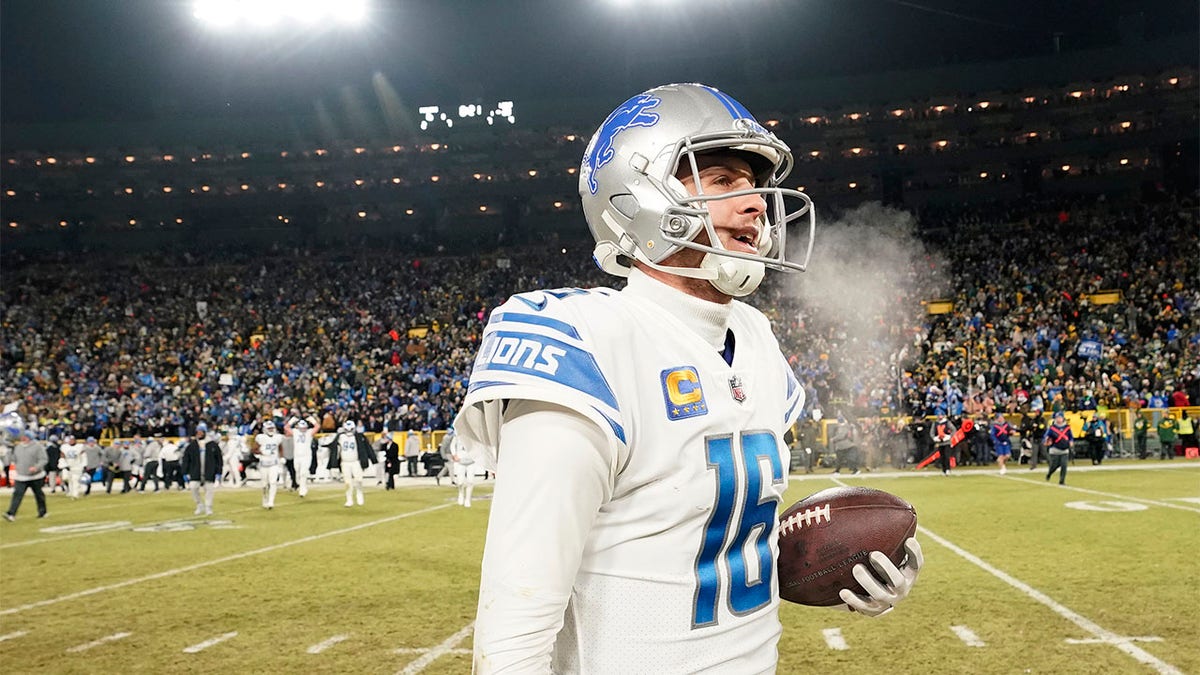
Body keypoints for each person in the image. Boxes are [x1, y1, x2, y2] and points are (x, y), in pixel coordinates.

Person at [452, 83, 922, 673]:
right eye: (724, 180)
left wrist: (844, 560)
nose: (754, 203)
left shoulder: (753, 337)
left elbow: (704, 539)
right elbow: (518, 612)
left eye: (754, 185)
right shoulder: (589, 340)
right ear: (637, 193)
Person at [323, 420, 375, 507]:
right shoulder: (340, 437)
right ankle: (349, 499)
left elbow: (367, 448)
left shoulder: (359, 437)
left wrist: (373, 459)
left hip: (356, 461)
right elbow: (333, 447)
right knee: (347, 482)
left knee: (358, 480)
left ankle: (359, 493)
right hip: (345, 462)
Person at [3, 431, 48, 521]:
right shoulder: (18, 447)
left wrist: (36, 467)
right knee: (17, 494)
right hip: (21, 476)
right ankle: (11, 513)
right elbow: (13, 459)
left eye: (24, 437)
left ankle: (42, 511)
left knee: (39, 495)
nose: (22, 438)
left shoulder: (37, 446)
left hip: (36, 476)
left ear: (29, 437)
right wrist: (8, 452)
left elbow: (44, 459)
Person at [181, 423, 223, 516]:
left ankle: (208, 507)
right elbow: (186, 459)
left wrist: (218, 472)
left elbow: (219, 460)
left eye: (201, 432)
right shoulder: (192, 445)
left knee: (209, 490)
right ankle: (199, 504)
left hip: (209, 472)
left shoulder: (212, 445)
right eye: (198, 432)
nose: (199, 433)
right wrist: (185, 472)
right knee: (193, 488)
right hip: (195, 472)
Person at [254, 420, 285, 509]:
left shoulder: (278, 437)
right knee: (264, 484)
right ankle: (265, 498)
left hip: (274, 463)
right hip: (264, 463)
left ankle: (271, 501)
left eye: (272, 428)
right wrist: (261, 452)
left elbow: (280, 448)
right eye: (269, 428)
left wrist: (282, 457)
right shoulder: (261, 437)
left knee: (273, 482)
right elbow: (254, 449)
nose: (271, 430)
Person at [1043, 411, 1074, 484]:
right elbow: (1046, 436)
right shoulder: (1052, 428)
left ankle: (1062, 481)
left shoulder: (1067, 428)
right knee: (1054, 465)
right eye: (1057, 418)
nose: (1058, 419)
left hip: (1065, 450)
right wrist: (1047, 440)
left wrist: (1071, 441)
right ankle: (1049, 473)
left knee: (1064, 465)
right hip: (1055, 449)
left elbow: (1071, 437)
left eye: (1060, 417)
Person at [58, 434, 87, 499]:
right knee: (66, 478)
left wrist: (84, 465)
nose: (71, 441)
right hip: (67, 465)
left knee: (75, 479)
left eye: (72, 440)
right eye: (70, 440)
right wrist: (64, 465)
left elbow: (83, 456)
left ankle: (75, 494)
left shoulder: (80, 446)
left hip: (77, 466)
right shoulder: (64, 447)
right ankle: (71, 491)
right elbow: (62, 457)